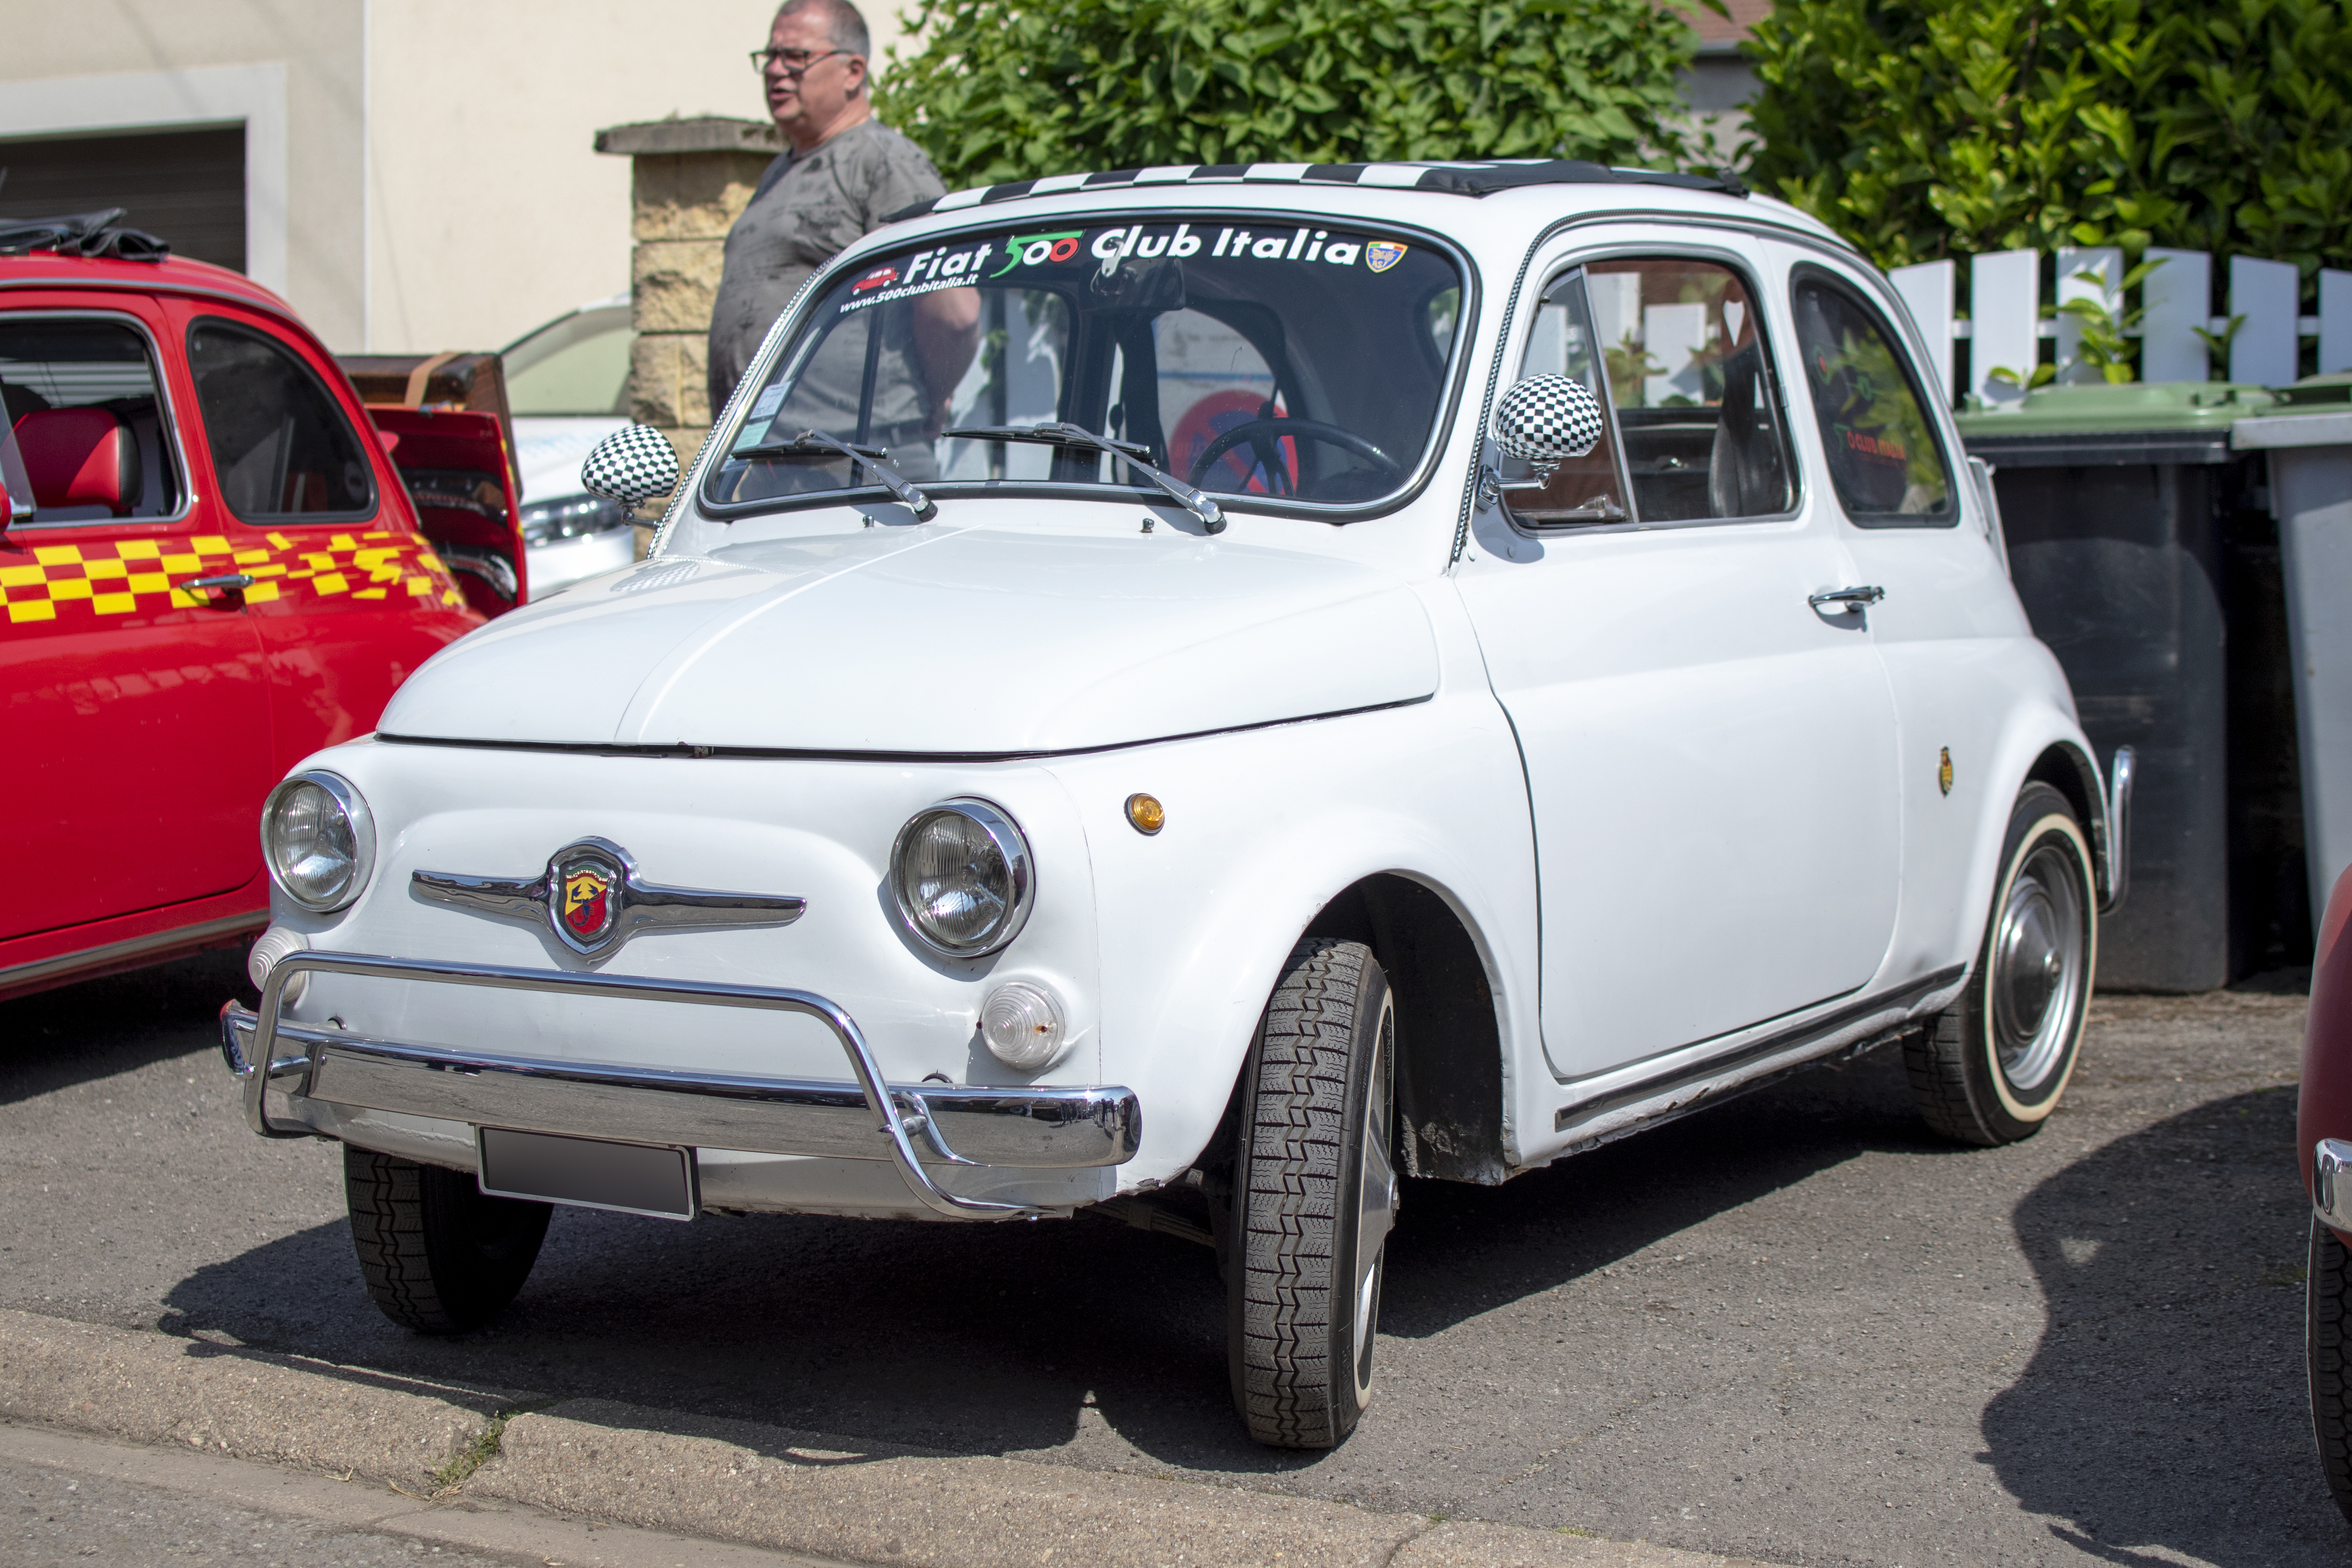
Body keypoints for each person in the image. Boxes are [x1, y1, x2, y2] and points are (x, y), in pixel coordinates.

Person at [707, 0, 978, 470]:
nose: (775, 71)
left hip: (856, 461)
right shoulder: (781, 170)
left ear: (853, 71)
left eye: (795, 57)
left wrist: (926, 401)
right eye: (769, 57)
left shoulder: (883, 162)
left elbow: (952, 312)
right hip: (774, 460)